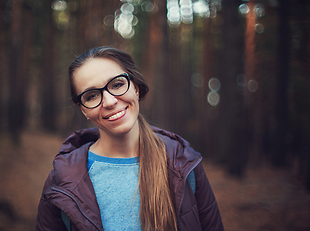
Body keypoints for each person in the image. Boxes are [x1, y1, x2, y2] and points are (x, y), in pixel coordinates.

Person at [36, 46, 224, 231]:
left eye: (117, 84)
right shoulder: (61, 181)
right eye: (92, 95)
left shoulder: (183, 162)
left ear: (135, 87)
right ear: (83, 109)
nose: (110, 102)